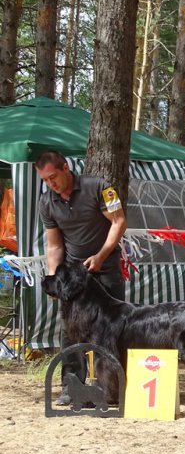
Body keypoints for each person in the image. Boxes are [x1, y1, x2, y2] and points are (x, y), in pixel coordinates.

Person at [35, 150, 128, 404]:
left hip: (105, 268)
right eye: (45, 180)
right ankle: (71, 386)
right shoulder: (47, 202)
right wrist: (55, 281)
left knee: (111, 329)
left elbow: (118, 222)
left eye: (53, 176)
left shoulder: (100, 187)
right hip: (73, 277)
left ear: (66, 168)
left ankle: (111, 387)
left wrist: (100, 255)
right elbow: (54, 246)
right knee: (71, 330)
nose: (50, 184)